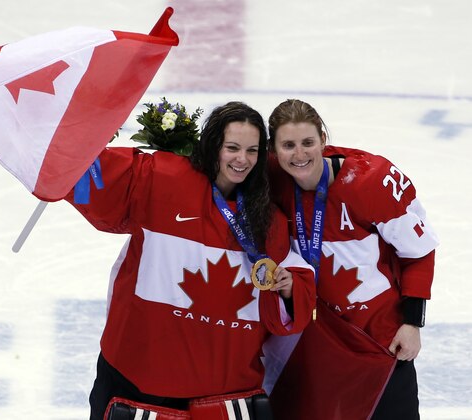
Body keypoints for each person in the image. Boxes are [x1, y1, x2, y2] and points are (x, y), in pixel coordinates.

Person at [64, 101, 316, 419]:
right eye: (232, 148)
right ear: (212, 146)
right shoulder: (160, 179)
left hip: (221, 393)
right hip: (137, 378)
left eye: (252, 151)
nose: (242, 159)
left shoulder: (269, 221)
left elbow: (286, 301)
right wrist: (66, 156)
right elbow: (96, 179)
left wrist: (289, 286)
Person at [266, 99, 438, 420]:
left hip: (379, 340)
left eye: (308, 143)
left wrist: (412, 322)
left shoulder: (371, 183)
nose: (299, 154)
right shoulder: (270, 178)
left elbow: (419, 252)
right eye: (288, 145)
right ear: (273, 150)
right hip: (316, 340)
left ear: (323, 139)